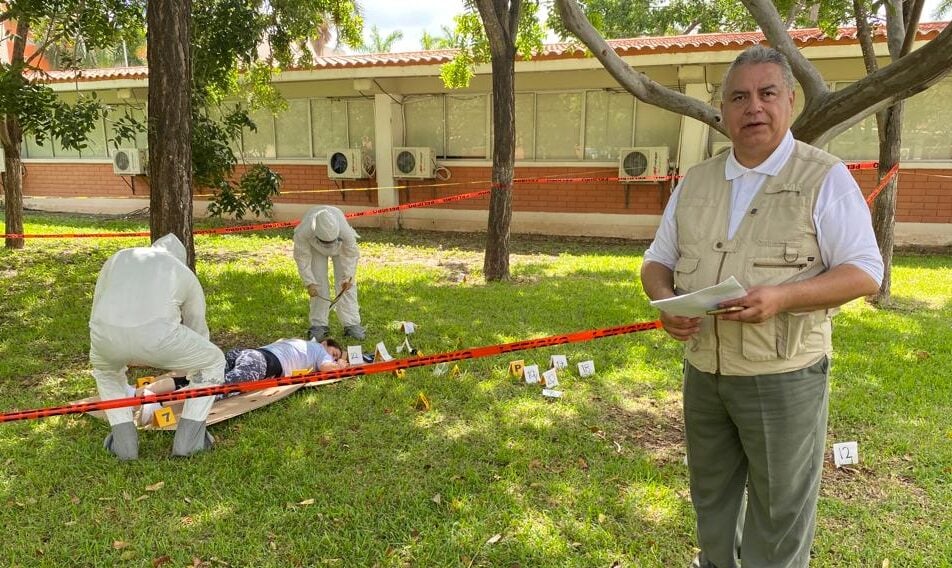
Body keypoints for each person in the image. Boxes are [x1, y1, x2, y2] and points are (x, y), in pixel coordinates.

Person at [640, 46, 884, 568]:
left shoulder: (824, 177)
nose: (754, 106)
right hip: (705, 373)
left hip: (784, 377)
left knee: (779, 513)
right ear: (723, 111)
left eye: (767, 93)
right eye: (739, 97)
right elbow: (656, 262)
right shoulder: (696, 182)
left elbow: (865, 271)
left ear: (790, 101)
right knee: (711, 500)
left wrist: (783, 297)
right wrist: (666, 303)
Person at [89, 234, 225, 460]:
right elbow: (197, 327)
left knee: (106, 372)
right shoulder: (181, 271)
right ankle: (189, 442)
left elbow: (97, 308)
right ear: (181, 258)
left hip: (104, 338)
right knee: (213, 361)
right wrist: (189, 368)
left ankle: (124, 443)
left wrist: (109, 343)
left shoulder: (118, 258)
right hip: (158, 338)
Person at [293, 205, 365, 341]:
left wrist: (347, 277)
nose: (328, 245)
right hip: (315, 249)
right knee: (318, 284)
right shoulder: (304, 231)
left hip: (340, 248)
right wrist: (309, 282)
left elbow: (351, 255)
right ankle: (319, 325)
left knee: (346, 287)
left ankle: (352, 324)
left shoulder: (345, 232)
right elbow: (302, 257)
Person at [221, 337, 348, 384]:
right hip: (261, 362)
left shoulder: (302, 343)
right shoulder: (321, 350)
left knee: (212, 376)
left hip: (247, 353)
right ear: (324, 343)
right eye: (334, 354)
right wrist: (340, 365)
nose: (333, 359)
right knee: (223, 388)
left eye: (335, 359)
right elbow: (326, 367)